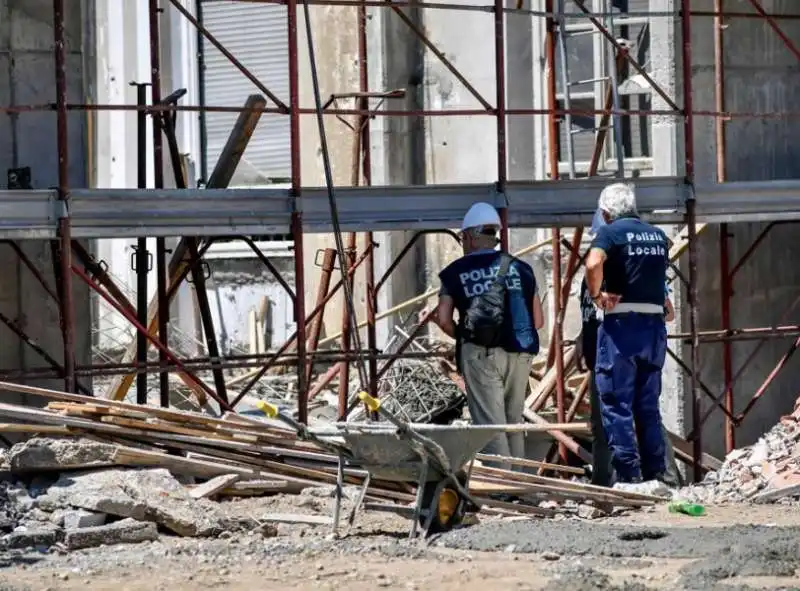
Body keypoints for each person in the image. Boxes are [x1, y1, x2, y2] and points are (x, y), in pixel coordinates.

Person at [430, 202, 544, 467]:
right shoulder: (522, 269)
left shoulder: (455, 272)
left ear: (469, 236)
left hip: (480, 354)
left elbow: (445, 320)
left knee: (490, 424)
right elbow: (537, 321)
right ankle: (520, 485)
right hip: (521, 354)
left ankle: (502, 489)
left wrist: (465, 336)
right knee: (513, 421)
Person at [578, 207, 682, 487]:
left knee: (616, 404)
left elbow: (593, 263)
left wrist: (598, 296)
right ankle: (656, 474)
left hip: (621, 332)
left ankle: (629, 476)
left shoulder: (608, 239)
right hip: (653, 332)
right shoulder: (656, 241)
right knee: (647, 406)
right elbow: (668, 310)